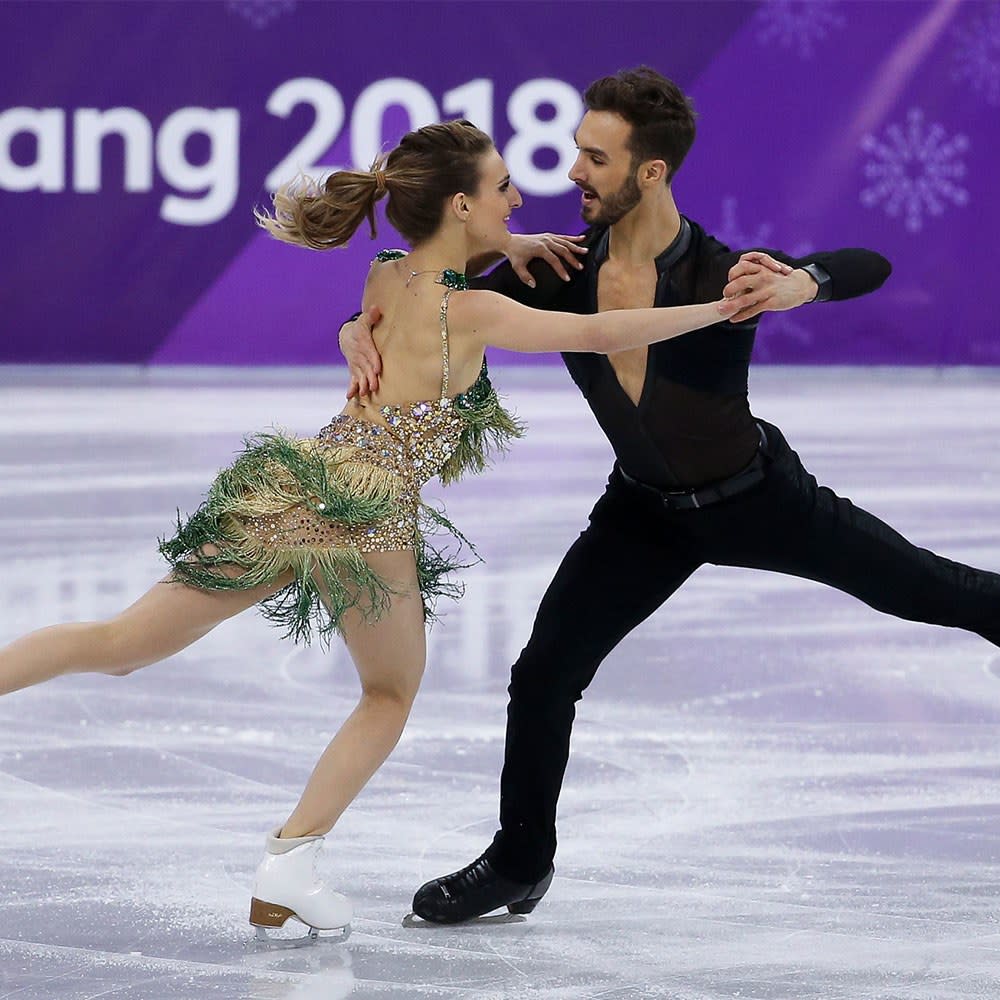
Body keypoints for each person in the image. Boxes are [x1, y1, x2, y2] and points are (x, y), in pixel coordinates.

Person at [0, 118, 766, 943]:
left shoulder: (384, 274)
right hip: (368, 509)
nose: (520, 195)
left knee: (119, 644)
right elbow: (593, 331)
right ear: (464, 203)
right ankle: (288, 866)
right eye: (504, 187)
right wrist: (714, 308)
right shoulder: (473, 311)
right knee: (389, 693)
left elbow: (403, 295)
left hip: (294, 485)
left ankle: (286, 867)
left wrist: (485, 256)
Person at [341, 68, 999, 926]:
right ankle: (519, 861)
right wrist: (356, 329)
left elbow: (868, 263)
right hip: (643, 513)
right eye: (577, 150)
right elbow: (421, 303)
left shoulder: (727, 273)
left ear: (649, 173)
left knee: (932, 590)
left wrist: (807, 283)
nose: (573, 172)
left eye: (595, 158)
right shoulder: (557, 270)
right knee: (543, 676)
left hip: (759, 498)